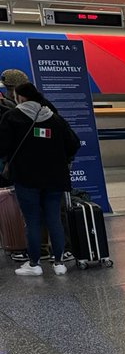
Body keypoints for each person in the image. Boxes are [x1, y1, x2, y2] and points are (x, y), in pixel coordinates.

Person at [0, 83, 80, 277]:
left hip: (26, 178)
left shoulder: (12, 117)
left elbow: (2, 147)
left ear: (19, 97)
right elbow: (73, 144)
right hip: (55, 178)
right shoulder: (54, 118)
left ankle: (34, 264)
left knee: (33, 221)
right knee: (54, 219)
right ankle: (59, 263)